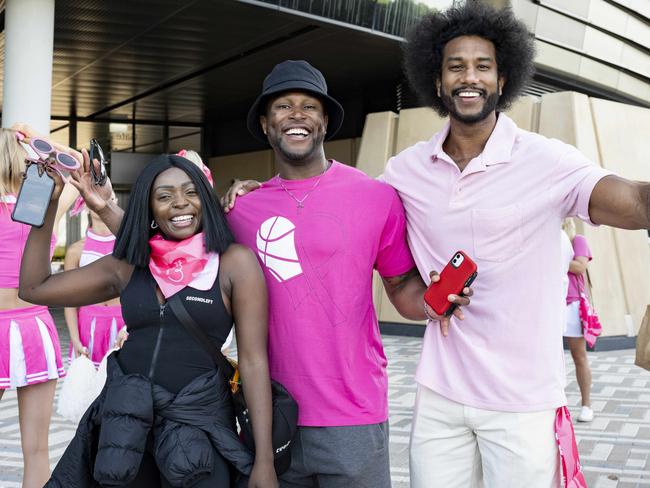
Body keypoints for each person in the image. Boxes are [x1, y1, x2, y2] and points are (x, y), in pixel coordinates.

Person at [87, 60, 472, 488]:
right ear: (267, 125)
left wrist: (436, 302)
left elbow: (401, 288)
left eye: (309, 106)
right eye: (283, 107)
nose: (296, 115)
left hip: (353, 414)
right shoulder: (241, 210)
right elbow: (166, 245)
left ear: (325, 120)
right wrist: (105, 206)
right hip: (267, 413)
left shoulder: (376, 197)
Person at [388, 4, 648, 486]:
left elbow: (630, 198)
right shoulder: (406, 169)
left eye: (483, 66)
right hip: (438, 396)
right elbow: (354, 221)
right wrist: (263, 194)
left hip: (523, 402)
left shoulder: (546, 159)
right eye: (456, 66)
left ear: (503, 79)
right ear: (438, 80)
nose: (470, 77)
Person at [19, 154, 278, 487]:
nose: (180, 203)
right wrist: (48, 203)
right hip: (126, 434)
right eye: (164, 196)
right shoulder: (129, 265)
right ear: (150, 209)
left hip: (198, 432)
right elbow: (34, 287)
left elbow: (255, 362)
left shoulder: (233, 263)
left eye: (190, 192)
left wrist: (264, 459)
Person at [0, 126, 80, 488]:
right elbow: (80, 166)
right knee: (37, 451)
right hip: (35, 326)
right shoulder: (47, 203)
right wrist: (39, 143)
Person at [64, 194, 126, 367]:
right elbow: (70, 301)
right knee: (88, 390)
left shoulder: (129, 246)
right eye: (96, 196)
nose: (103, 201)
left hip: (124, 325)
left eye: (109, 197)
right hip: (87, 327)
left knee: (123, 387)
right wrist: (75, 340)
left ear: (116, 202)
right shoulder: (76, 251)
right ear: (84, 204)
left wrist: (130, 327)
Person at [562, 219, 595, 422]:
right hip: (549, 304)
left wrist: (554, 256)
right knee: (550, 356)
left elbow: (580, 266)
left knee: (579, 356)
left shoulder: (577, 240)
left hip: (572, 305)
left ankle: (586, 405)